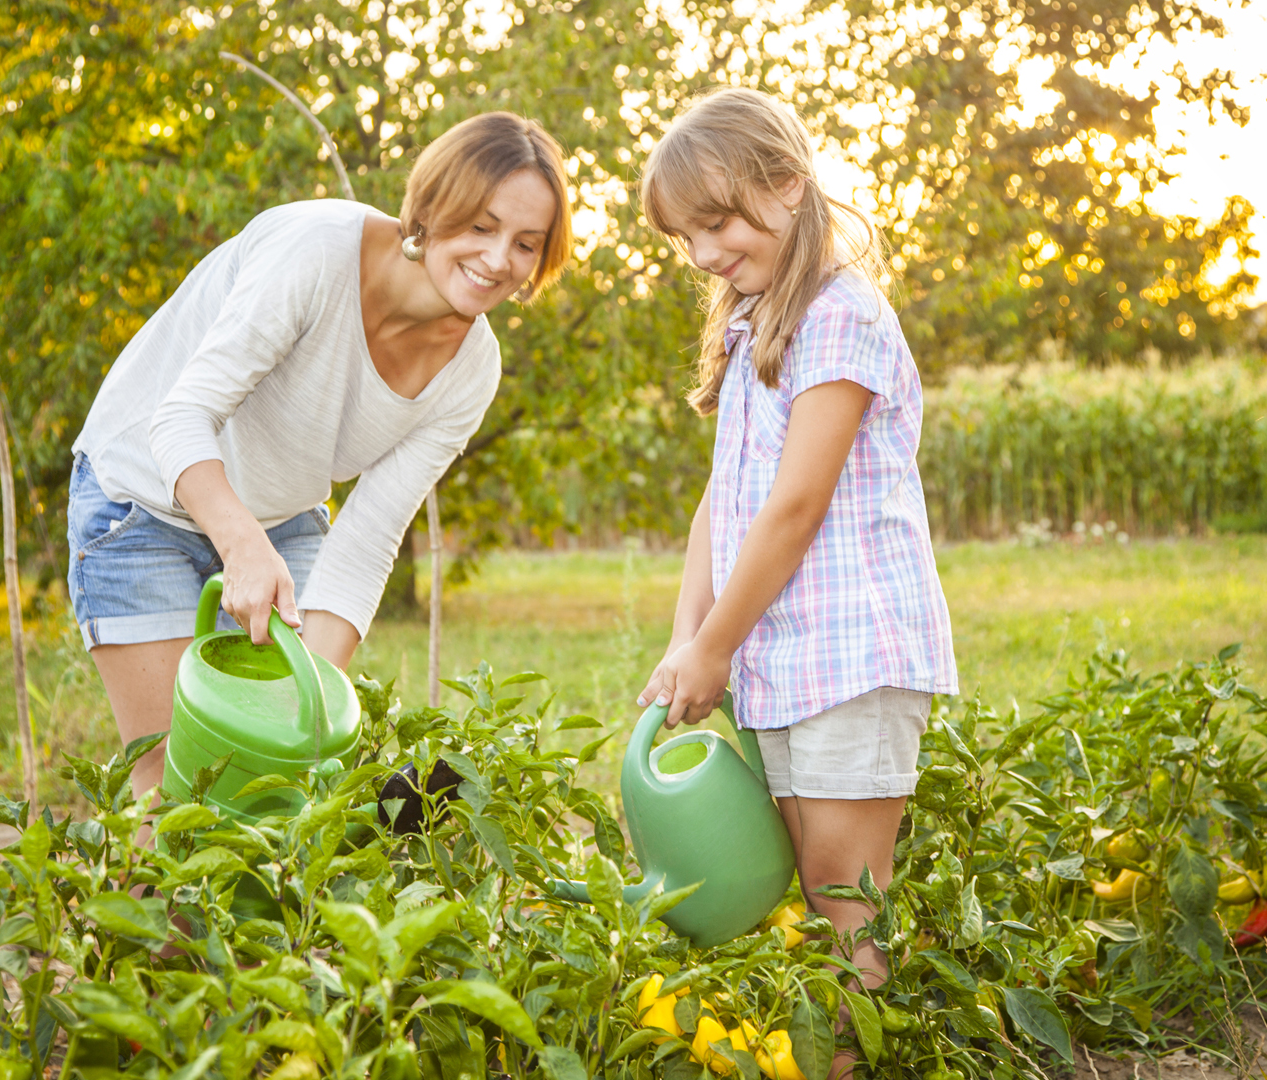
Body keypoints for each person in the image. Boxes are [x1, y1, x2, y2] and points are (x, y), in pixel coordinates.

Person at [68, 112, 571, 800]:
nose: (497, 260)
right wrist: (242, 548)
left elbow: (368, 537)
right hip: (141, 501)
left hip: (283, 522)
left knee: (274, 785)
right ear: (431, 207)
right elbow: (183, 416)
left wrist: (302, 724)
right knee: (172, 790)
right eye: (481, 226)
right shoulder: (315, 249)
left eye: (525, 244)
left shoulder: (473, 370)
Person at [635, 88, 957, 1077]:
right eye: (686, 236)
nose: (701, 254)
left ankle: (862, 1058)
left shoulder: (842, 313)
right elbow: (722, 505)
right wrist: (690, 637)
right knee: (817, 888)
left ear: (787, 184)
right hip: (782, 652)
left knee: (842, 886)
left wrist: (718, 643)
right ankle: (844, 1049)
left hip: (852, 646)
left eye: (718, 222)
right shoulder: (748, 326)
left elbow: (795, 505)